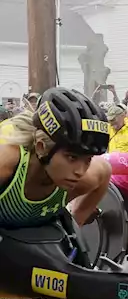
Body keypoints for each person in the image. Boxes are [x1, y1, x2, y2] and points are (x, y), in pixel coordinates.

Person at [0, 88, 114, 228]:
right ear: (42, 147)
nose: (80, 171)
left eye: (88, 159)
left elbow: (105, 170)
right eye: (72, 157)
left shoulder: (86, 178)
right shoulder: (6, 163)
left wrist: (75, 223)